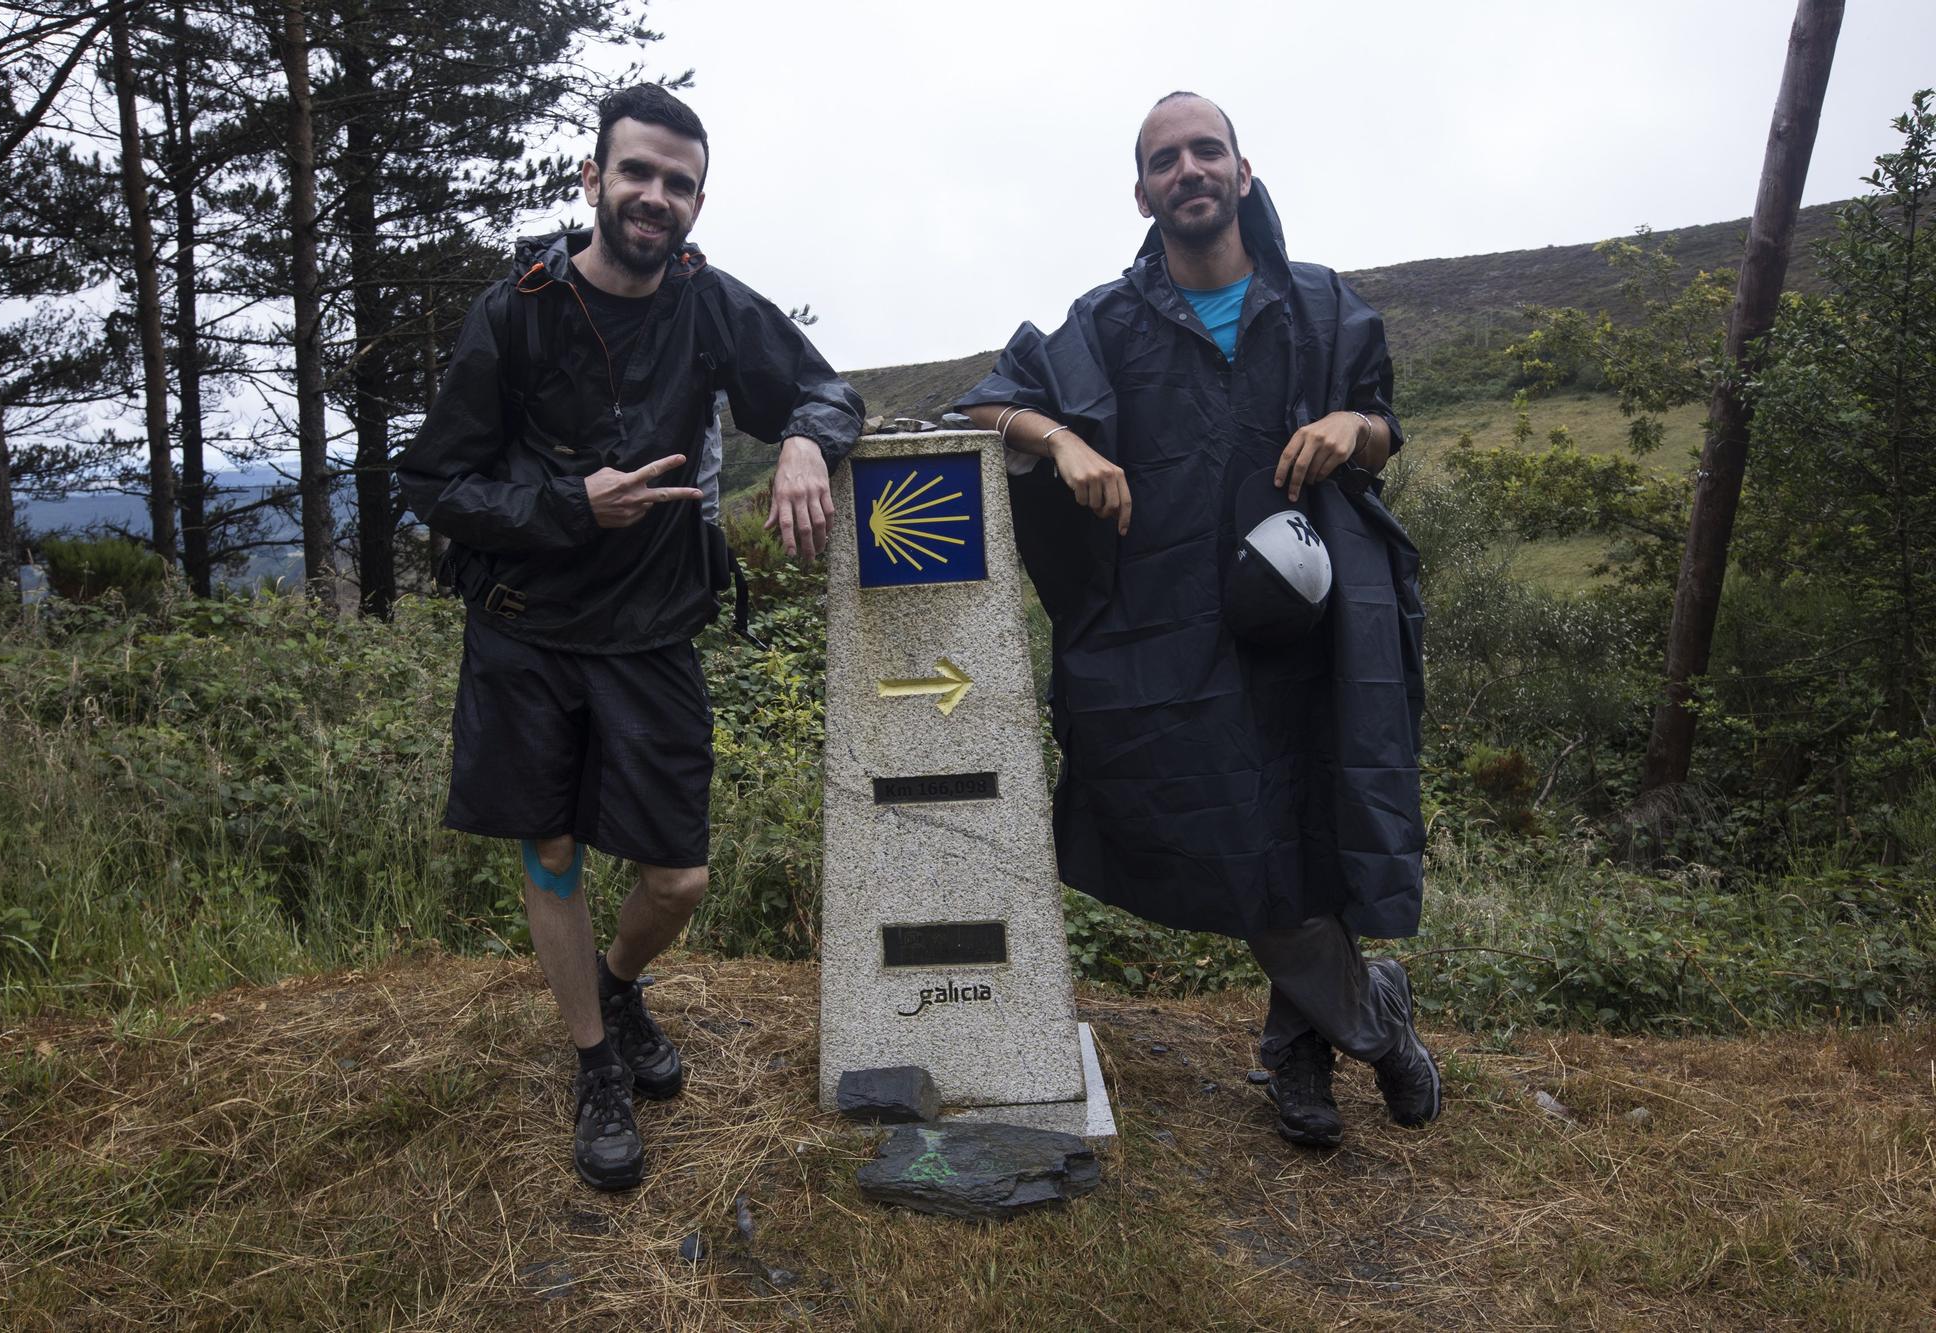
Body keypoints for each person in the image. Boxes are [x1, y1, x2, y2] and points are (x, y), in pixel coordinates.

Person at [397, 84, 863, 1190]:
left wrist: (803, 440)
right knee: (550, 852)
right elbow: (432, 481)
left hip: (654, 630)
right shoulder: (514, 310)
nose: (656, 196)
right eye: (638, 173)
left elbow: (824, 387)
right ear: (594, 179)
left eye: (679, 183)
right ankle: (596, 1062)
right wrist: (570, 505)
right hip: (525, 630)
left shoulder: (709, 305)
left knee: (679, 877)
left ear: (697, 203)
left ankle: (614, 981)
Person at [957, 91, 1439, 1148]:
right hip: (1172, 635)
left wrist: (1345, 424)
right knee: (1238, 841)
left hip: (1314, 624)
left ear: (1241, 172)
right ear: (1142, 192)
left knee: (1308, 830)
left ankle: (1296, 1053)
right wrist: (1062, 443)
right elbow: (988, 401)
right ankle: (1373, 1020)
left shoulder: (1319, 307)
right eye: (1164, 159)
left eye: (1204, 151)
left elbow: (1384, 428)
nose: (1187, 170)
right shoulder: (1103, 325)